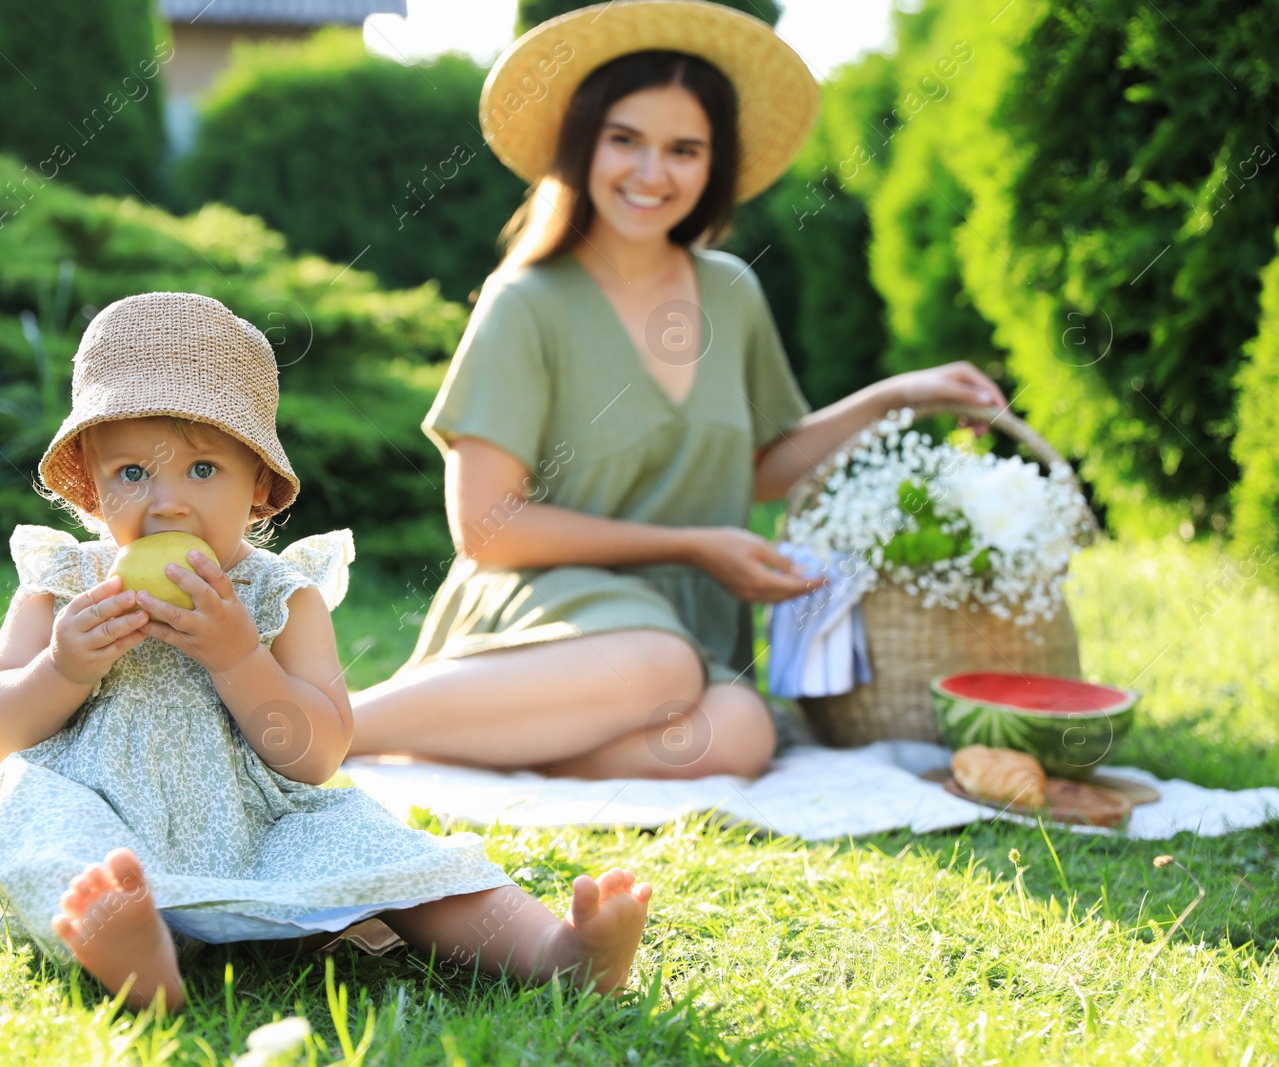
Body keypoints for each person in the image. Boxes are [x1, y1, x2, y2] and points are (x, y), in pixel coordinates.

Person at [348, 0, 1006, 780]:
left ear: (713, 165)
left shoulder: (730, 292)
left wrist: (893, 397)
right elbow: (486, 528)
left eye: (684, 149)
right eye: (624, 139)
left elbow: (759, 461)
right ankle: (330, 728)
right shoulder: (525, 302)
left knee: (740, 730)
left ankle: (495, 739)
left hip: (690, 632)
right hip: (545, 610)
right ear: (583, 143)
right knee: (660, 667)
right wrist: (690, 544)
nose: (651, 172)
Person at [0, 291, 653, 1012]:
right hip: (108, 819)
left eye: (202, 470)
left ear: (258, 487)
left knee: (385, 848)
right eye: (132, 472)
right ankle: (135, 946)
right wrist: (63, 667)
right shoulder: (65, 586)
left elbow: (317, 754)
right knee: (43, 822)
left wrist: (239, 658)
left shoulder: (280, 595)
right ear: (92, 489)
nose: (166, 503)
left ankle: (556, 951)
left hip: (262, 832)